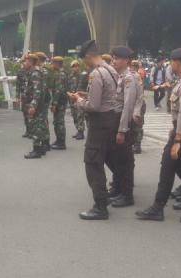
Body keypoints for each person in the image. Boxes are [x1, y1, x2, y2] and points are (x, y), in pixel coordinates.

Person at [135, 48, 181, 224]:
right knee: (168, 166)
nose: (170, 64)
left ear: (177, 62)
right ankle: (157, 207)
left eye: (171, 61)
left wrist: (178, 140)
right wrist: (175, 129)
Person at [68, 40, 118, 220]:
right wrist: (87, 95)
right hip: (109, 117)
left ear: (88, 56)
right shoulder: (110, 70)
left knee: (93, 163)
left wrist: (78, 100)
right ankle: (108, 196)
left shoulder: (96, 74)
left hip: (99, 121)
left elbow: (94, 106)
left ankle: (100, 206)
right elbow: (104, 97)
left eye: (83, 59)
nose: (83, 63)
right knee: (103, 157)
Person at [106, 45, 138, 208]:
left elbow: (128, 106)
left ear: (126, 60)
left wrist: (122, 130)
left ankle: (127, 194)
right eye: (112, 58)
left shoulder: (129, 78)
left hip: (121, 121)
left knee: (124, 161)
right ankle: (117, 188)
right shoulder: (118, 76)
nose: (113, 61)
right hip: (114, 119)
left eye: (116, 59)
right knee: (115, 158)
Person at [23, 54, 46, 159]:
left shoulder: (35, 74)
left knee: (36, 127)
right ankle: (40, 149)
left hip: (35, 105)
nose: (24, 63)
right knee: (37, 126)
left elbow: (37, 91)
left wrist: (33, 106)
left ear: (31, 62)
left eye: (26, 61)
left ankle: (37, 150)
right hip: (34, 104)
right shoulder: (31, 73)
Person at [50, 56, 68, 150]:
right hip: (62, 101)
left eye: (53, 63)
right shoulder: (63, 73)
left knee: (59, 122)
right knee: (58, 121)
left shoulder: (60, 75)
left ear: (57, 64)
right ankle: (58, 140)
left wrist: (54, 104)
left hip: (60, 102)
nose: (52, 65)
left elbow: (58, 91)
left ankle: (61, 142)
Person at [129, 60, 146, 154]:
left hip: (138, 104)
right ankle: (133, 142)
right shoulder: (130, 76)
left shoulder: (138, 77)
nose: (130, 68)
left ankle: (137, 144)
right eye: (130, 66)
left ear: (136, 67)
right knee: (132, 125)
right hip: (131, 103)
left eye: (132, 67)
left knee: (138, 125)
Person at [36, 52, 52, 151]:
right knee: (42, 120)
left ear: (38, 59)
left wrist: (39, 101)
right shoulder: (40, 70)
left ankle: (46, 141)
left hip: (43, 98)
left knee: (43, 120)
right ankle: (45, 141)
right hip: (43, 98)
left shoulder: (44, 71)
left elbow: (43, 86)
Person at [68, 60, 86, 140]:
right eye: (73, 67)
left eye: (76, 66)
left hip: (78, 98)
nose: (75, 68)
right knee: (74, 115)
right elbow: (68, 86)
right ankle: (78, 130)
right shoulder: (70, 76)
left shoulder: (81, 76)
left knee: (79, 115)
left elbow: (80, 88)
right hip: (71, 98)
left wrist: (76, 100)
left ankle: (81, 131)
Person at [16, 54, 30, 138]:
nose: (24, 63)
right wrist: (17, 96)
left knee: (31, 114)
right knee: (25, 113)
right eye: (23, 62)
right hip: (24, 96)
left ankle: (32, 130)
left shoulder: (32, 71)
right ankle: (28, 130)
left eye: (25, 61)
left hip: (31, 96)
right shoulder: (20, 72)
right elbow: (18, 85)